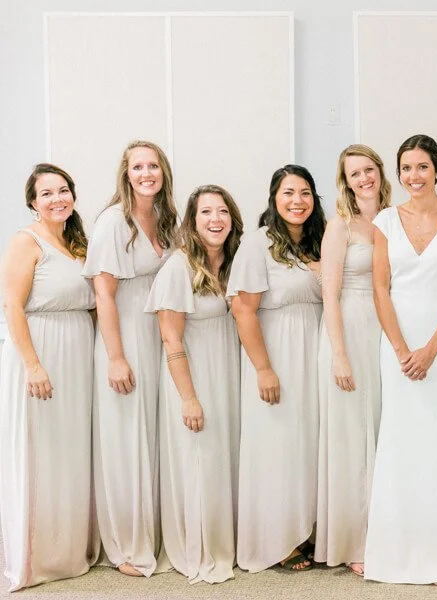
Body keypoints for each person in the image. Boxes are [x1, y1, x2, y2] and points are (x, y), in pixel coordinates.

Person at [364, 134, 437, 585]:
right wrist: (400, 349)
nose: (414, 176)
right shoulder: (386, 221)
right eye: (406, 168)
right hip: (397, 343)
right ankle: (395, 554)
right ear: (399, 174)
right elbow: (380, 288)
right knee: (399, 440)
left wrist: (431, 349)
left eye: (422, 167)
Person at [0, 164, 99, 590]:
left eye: (63, 190)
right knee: (40, 450)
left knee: (69, 451)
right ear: (33, 202)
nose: (57, 199)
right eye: (47, 193)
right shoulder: (27, 241)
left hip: (76, 355)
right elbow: (11, 306)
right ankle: (36, 557)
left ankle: (68, 548)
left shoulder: (78, 243)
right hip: (40, 351)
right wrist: (33, 365)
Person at [83, 140, 177, 577]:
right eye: (138, 167)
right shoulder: (112, 222)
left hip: (158, 334)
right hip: (124, 335)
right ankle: (125, 545)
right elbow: (103, 293)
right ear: (126, 173)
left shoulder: (166, 218)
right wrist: (116, 357)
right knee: (125, 437)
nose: (146, 174)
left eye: (153, 166)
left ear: (163, 172)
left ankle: (155, 534)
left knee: (152, 434)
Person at [228, 165, 325, 573]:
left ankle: (310, 529)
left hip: (316, 349)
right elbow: (242, 310)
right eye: (288, 193)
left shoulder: (321, 240)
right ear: (274, 198)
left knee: (310, 442)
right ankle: (278, 538)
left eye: (305, 193)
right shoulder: (258, 244)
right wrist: (264, 368)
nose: (297, 201)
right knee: (278, 443)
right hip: (278, 350)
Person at [145, 185, 243, 583]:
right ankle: (200, 546)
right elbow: (171, 339)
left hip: (227, 373)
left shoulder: (235, 262)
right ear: (192, 220)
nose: (215, 219)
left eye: (223, 212)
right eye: (206, 212)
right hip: (193, 377)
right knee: (200, 459)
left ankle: (228, 539)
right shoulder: (178, 267)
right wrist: (188, 398)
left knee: (223, 458)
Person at [316, 145, 391, 577]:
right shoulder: (339, 226)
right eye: (354, 174)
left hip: (388, 331)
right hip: (350, 329)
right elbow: (329, 293)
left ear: (380, 172)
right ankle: (354, 542)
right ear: (345, 182)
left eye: (368, 170)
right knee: (352, 437)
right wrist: (339, 355)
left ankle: (386, 532)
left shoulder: (397, 219)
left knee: (384, 431)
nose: (364, 178)